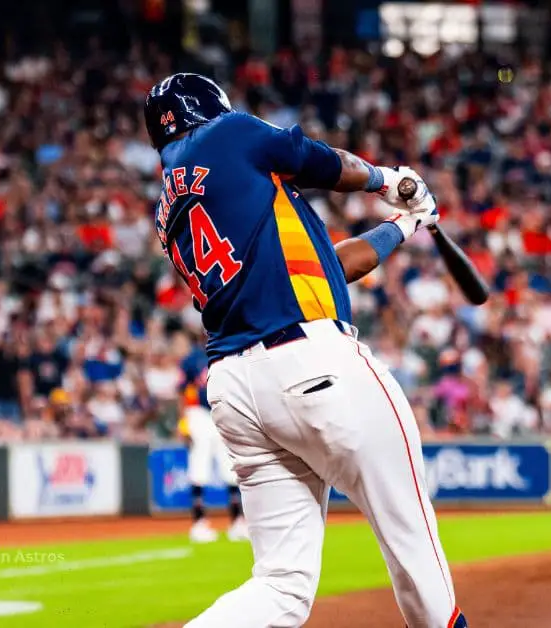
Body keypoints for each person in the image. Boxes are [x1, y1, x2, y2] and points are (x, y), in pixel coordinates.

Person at [144, 74, 465, 628]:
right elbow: (319, 160)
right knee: (411, 537)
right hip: (313, 360)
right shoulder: (229, 135)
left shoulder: (173, 204)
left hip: (238, 390)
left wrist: (403, 225)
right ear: (212, 107)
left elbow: (330, 269)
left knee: (280, 587)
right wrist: (390, 180)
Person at [179, 404, 247, 543]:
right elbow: (183, 392)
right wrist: (183, 424)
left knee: (230, 470)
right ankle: (198, 523)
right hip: (198, 414)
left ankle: (237, 523)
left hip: (219, 409)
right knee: (199, 472)